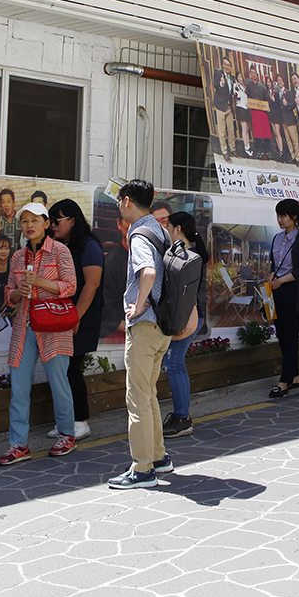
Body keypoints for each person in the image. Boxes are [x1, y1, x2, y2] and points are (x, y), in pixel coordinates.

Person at [0, 202, 78, 466]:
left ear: (46, 223)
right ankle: (18, 444)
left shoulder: (60, 250)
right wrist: (16, 293)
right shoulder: (18, 257)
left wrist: (40, 283)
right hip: (24, 325)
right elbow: (8, 293)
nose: (29, 225)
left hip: (53, 325)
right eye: (25, 221)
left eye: (35, 220)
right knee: (19, 386)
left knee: (59, 382)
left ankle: (67, 435)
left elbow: (71, 286)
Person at [109, 179, 172, 490]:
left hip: (145, 325)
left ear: (127, 201)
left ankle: (142, 469)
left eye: (119, 201)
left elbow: (147, 272)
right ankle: (158, 457)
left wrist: (138, 304)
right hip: (163, 325)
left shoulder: (138, 234)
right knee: (148, 394)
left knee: (137, 398)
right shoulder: (160, 230)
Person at [47, 198, 103, 441]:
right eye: (50, 221)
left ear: (72, 220)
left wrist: (75, 316)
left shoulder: (89, 245)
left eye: (57, 220)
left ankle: (80, 420)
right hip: (63, 316)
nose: (53, 226)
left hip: (81, 316)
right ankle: (65, 420)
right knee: (60, 368)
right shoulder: (61, 246)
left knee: (70, 367)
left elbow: (92, 284)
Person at [161, 211, 209, 438]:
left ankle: (182, 417)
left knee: (174, 365)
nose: (167, 231)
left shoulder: (189, 257)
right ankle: (181, 415)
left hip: (186, 318)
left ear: (178, 229)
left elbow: (186, 296)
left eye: (168, 227)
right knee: (174, 365)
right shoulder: (190, 254)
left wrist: (180, 321)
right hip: (187, 317)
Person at [267, 198, 299, 397]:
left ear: (294, 217)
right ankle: (294, 376)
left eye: (284, 216)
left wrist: (281, 280)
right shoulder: (277, 238)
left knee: (290, 336)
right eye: (278, 216)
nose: (280, 220)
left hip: (293, 290)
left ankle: (284, 381)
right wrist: (272, 276)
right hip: (277, 290)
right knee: (281, 334)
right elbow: (274, 264)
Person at [211, 57, 239, 158]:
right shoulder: (219, 73)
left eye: (229, 65)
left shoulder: (232, 78)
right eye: (225, 64)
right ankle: (224, 151)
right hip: (220, 106)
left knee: (231, 131)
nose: (227, 67)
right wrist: (221, 83)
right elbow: (215, 85)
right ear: (223, 65)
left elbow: (232, 92)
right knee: (222, 131)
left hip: (228, 106)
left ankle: (233, 149)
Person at [0, 188, 21, 256]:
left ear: (13, 203)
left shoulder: (21, 220)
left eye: (8, 201)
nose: (6, 204)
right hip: (4, 260)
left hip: (19, 259)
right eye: (3, 202)